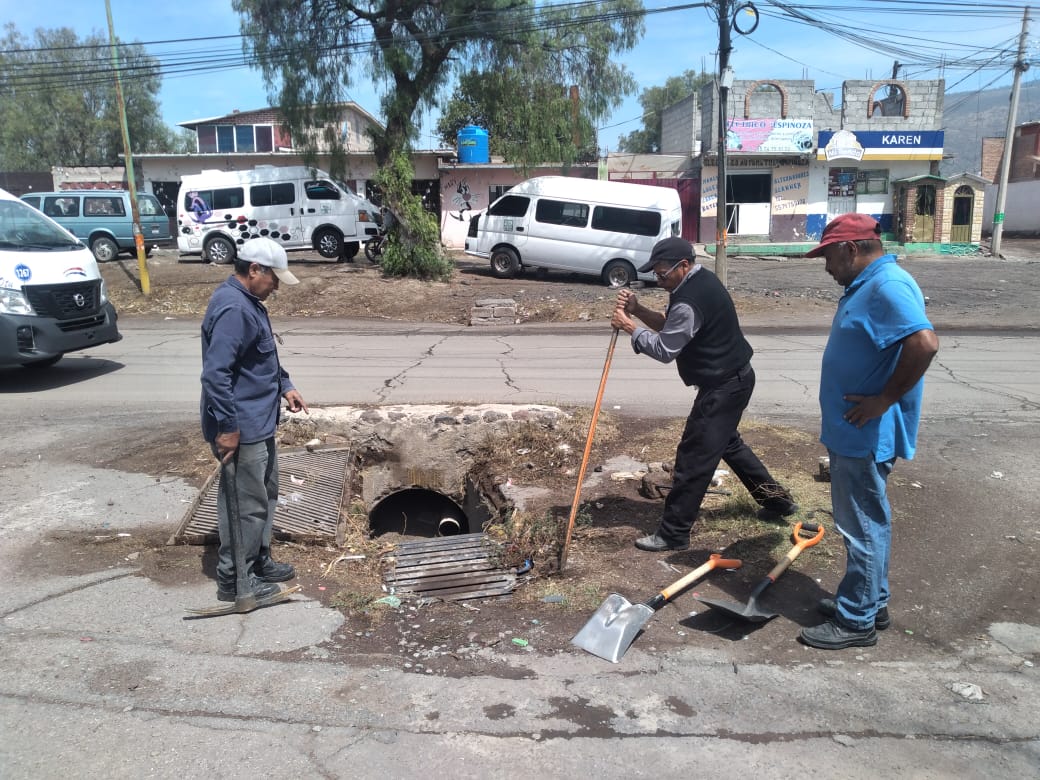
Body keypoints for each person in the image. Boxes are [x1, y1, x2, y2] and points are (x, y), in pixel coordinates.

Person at [799, 213, 939, 650]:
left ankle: (856, 620)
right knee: (867, 521)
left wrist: (884, 399)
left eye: (828, 256)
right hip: (856, 431)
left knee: (860, 525)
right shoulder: (872, 282)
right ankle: (869, 601)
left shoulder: (886, 285)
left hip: (865, 432)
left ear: (851, 249)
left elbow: (924, 343)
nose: (826, 267)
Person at [611, 237, 798, 552]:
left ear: (683, 265)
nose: (659, 280)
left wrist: (629, 326)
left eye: (662, 274)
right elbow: (673, 328)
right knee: (728, 445)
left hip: (725, 385)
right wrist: (639, 310)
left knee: (695, 455)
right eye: (655, 274)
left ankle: (673, 533)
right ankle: (779, 503)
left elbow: (665, 348)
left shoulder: (688, 300)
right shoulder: (696, 282)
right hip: (733, 378)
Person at [200, 237, 309, 602]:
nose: (277, 286)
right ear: (254, 270)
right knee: (244, 504)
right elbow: (216, 375)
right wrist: (228, 428)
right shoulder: (233, 309)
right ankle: (235, 578)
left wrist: (285, 385)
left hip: (260, 421)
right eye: (273, 278)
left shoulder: (251, 303)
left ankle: (258, 559)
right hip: (241, 427)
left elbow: (261, 359)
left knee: (266, 495)